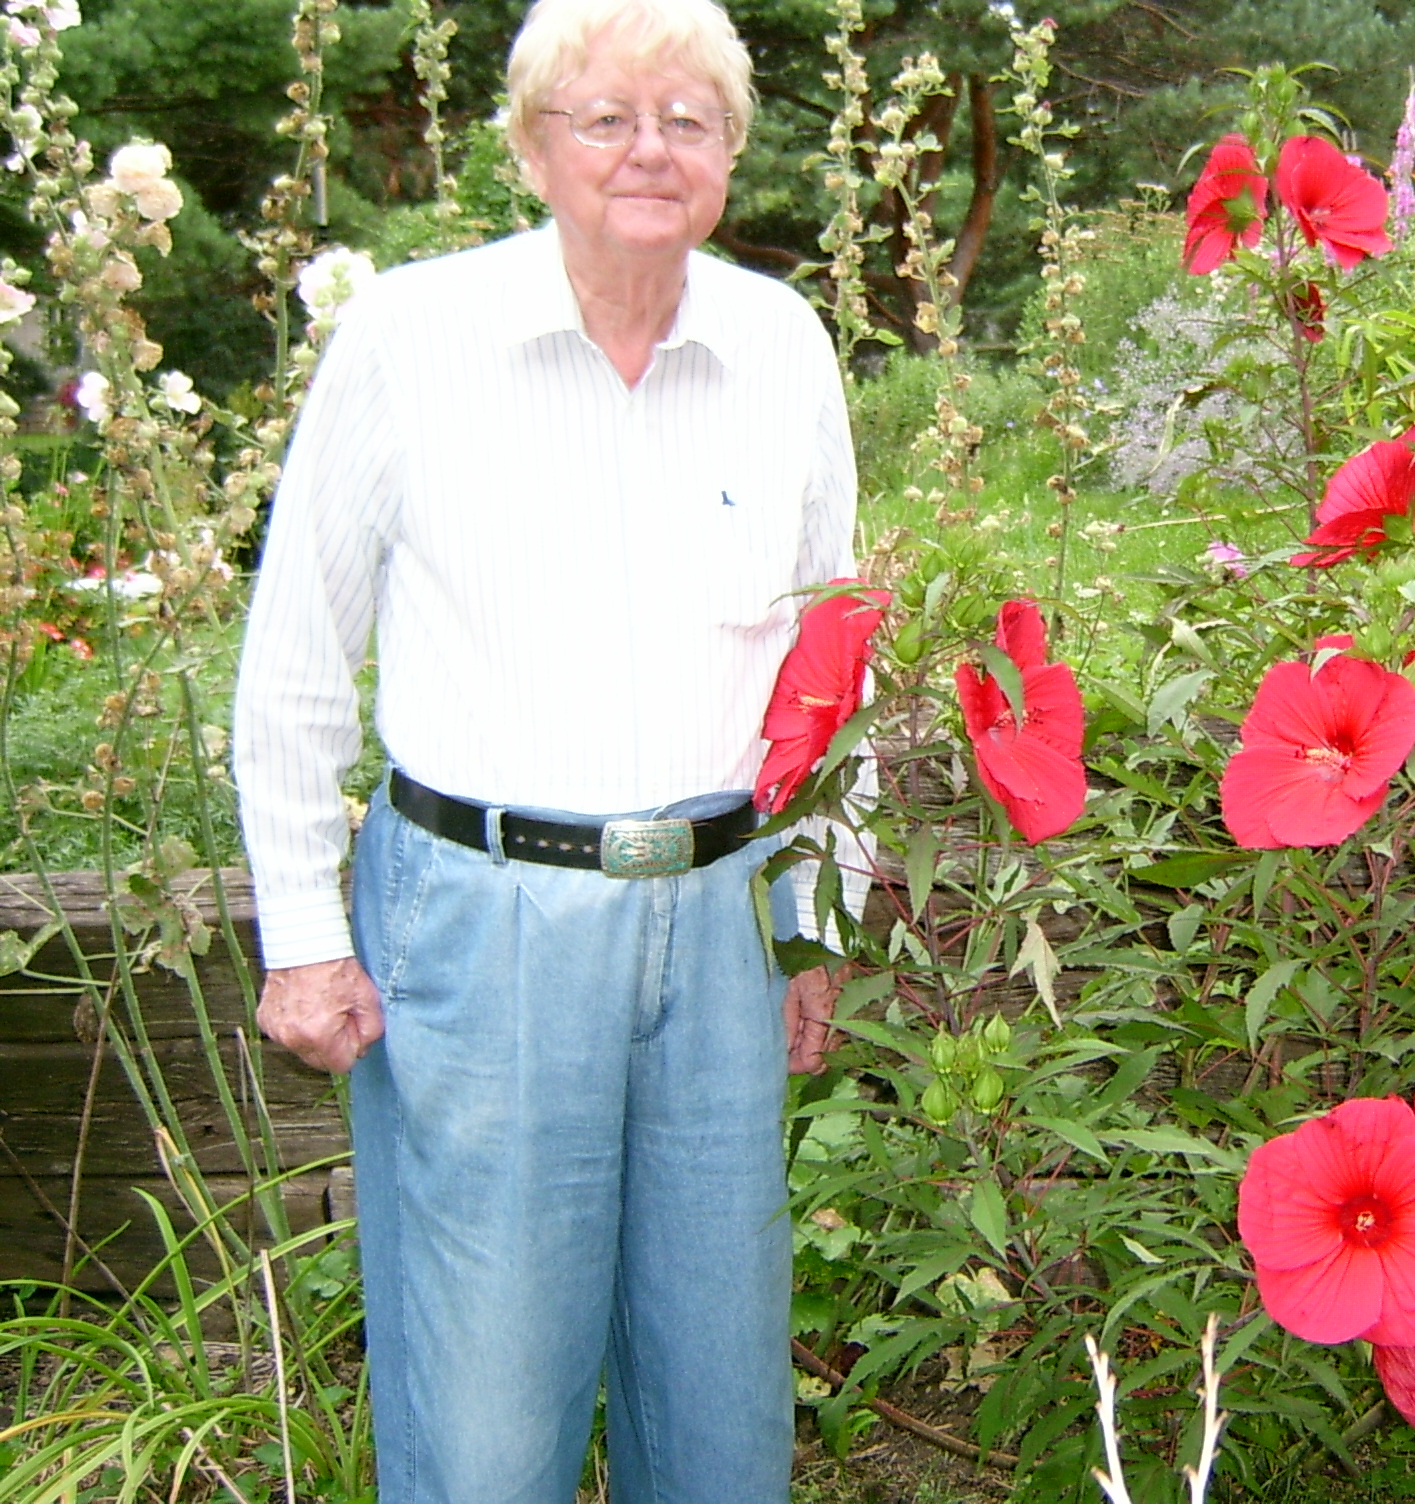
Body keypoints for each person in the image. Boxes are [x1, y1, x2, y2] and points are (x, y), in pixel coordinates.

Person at [232, 0, 861, 1497]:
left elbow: (836, 666)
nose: (651, 150)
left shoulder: (780, 346)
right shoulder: (409, 340)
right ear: (531, 144)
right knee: (487, 1423)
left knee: (716, 1410)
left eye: (689, 120)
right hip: (484, 929)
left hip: (722, 921)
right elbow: (298, 657)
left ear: (729, 153)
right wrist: (306, 936)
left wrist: (814, 922)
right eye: (606, 116)